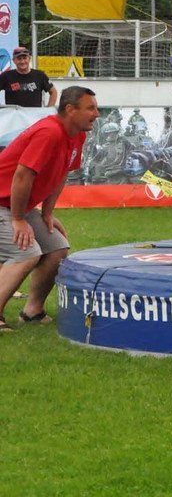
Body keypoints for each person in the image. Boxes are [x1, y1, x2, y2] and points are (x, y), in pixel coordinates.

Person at [0, 86, 99, 332]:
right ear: (70, 109)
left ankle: (32, 311)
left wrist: (47, 213)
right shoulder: (49, 132)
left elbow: (62, 172)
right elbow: (22, 175)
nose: (96, 114)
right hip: (4, 204)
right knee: (26, 252)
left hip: (15, 205)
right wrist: (18, 219)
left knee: (57, 248)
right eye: (91, 108)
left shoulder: (77, 135)